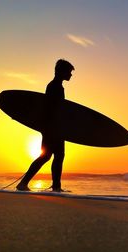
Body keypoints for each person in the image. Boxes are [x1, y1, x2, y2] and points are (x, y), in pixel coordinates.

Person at [16, 59, 75, 192]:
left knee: (50, 156)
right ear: (61, 71)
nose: (71, 75)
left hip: (52, 127)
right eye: (69, 72)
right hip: (53, 128)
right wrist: (53, 128)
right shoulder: (55, 87)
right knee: (52, 156)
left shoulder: (56, 86)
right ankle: (53, 186)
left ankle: (53, 186)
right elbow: (51, 109)